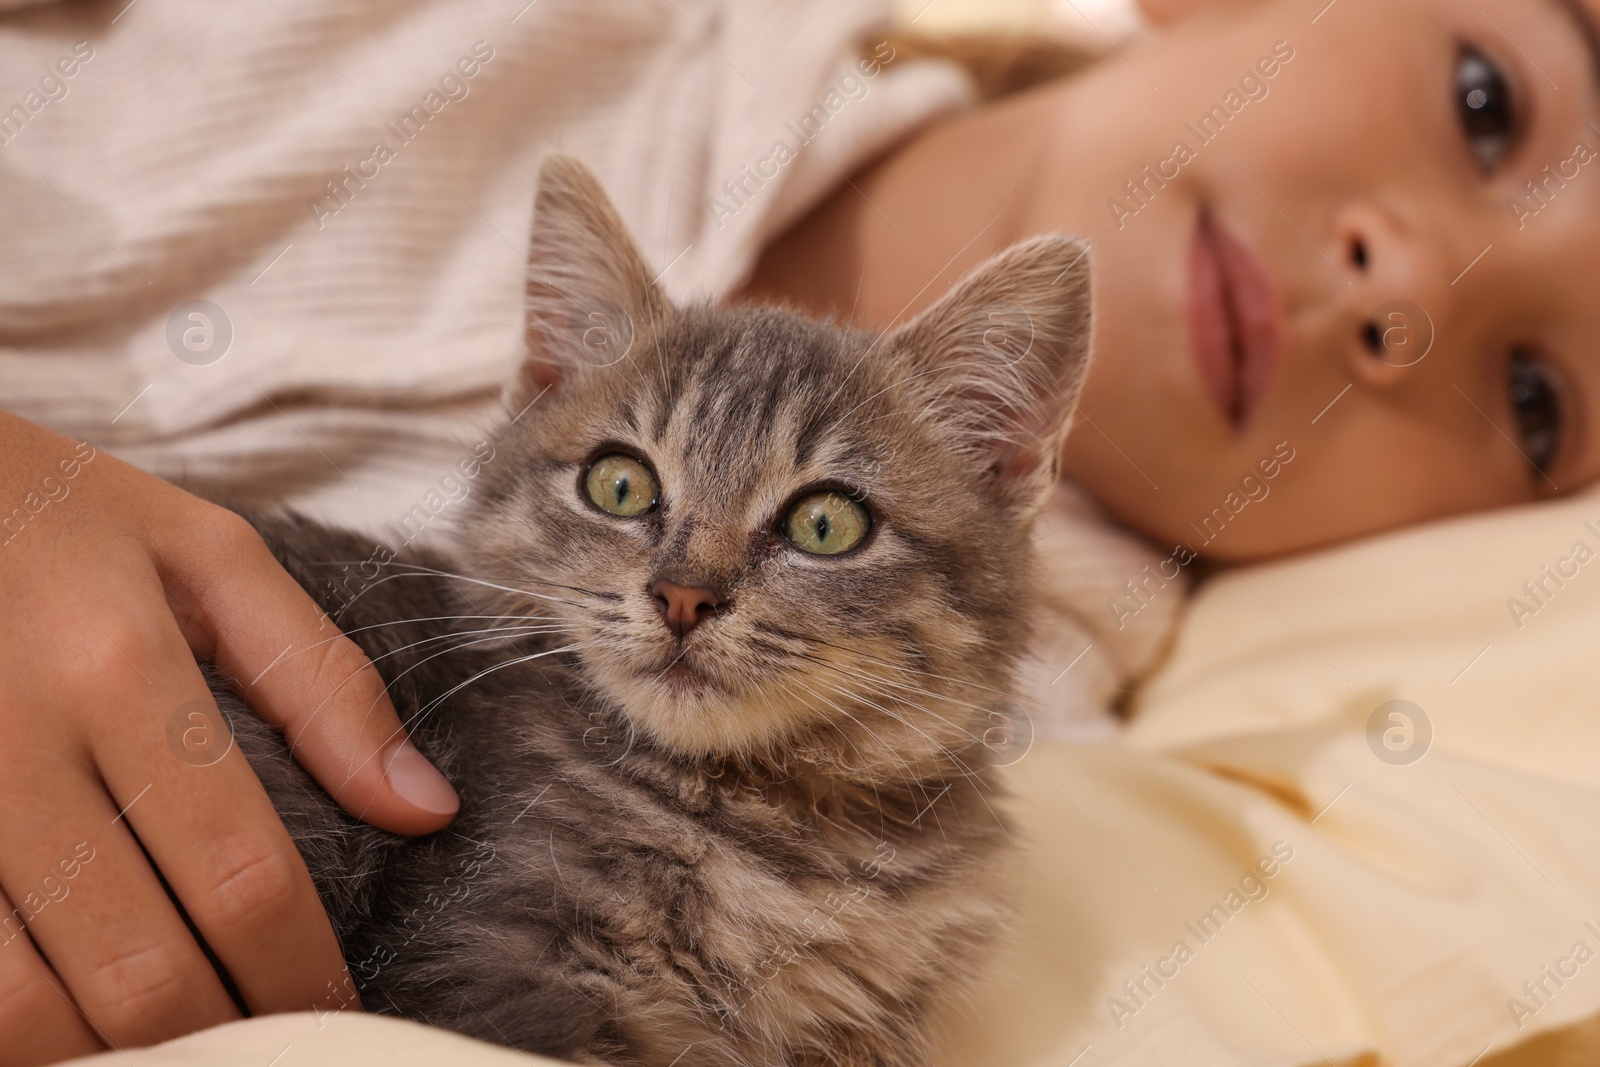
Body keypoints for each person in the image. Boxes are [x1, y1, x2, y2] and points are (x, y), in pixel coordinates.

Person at [0, 0, 1595, 1060]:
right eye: (1485, 104)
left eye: (1536, 398)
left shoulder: (1062, 705)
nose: (1405, 296)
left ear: (1001, 453)